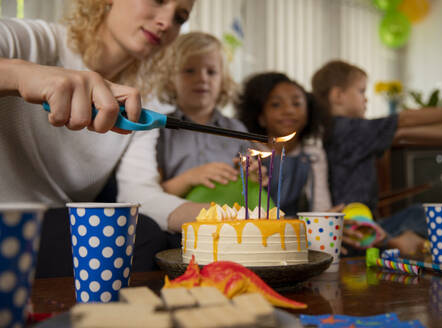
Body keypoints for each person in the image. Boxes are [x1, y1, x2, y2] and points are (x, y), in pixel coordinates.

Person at [0, 0, 199, 276]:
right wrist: (20, 74)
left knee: (146, 236)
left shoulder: (144, 104)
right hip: (8, 220)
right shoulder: (34, 41)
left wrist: (233, 221)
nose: (166, 22)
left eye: (180, 17)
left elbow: (140, 194)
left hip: (52, 233)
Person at [311, 60, 442, 255]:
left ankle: (413, 243)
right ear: (338, 95)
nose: (366, 99)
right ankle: (407, 244)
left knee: (418, 213)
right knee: (424, 217)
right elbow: (403, 121)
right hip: (356, 233)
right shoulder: (346, 129)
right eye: (361, 91)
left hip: (366, 226)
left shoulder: (342, 129)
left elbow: (400, 134)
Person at [154, 32, 249, 198]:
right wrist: (188, 179)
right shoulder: (159, 131)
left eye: (211, 72)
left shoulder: (237, 130)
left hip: (227, 220)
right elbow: (149, 195)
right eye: (189, 71)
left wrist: (254, 177)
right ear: (170, 79)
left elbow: (247, 188)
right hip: (175, 220)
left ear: (223, 80)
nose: (202, 78)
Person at [236, 72, 337, 217]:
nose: (288, 111)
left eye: (296, 103)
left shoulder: (313, 154)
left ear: (308, 114)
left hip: (294, 230)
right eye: (276, 105)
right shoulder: (247, 151)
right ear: (261, 117)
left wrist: (328, 218)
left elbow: (320, 204)